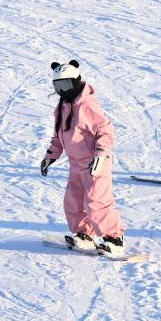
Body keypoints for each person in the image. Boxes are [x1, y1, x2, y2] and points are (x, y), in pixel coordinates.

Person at [40, 60, 127, 257]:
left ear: (76, 82)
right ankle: (85, 234)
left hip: (95, 163)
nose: (62, 91)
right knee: (73, 201)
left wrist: (100, 155)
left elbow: (105, 130)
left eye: (66, 85)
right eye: (58, 86)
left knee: (97, 201)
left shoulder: (87, 105)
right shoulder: (62, 107)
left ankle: (115, 238)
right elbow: (59, 136)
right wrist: (50, 156)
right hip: (76, 164)